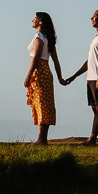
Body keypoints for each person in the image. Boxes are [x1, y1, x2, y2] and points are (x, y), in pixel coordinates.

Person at [62, 9, 98, 145]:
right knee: (95, 108)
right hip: (91, 77)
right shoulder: (96, 37)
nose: (91, 18)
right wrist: (74, 76)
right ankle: (92, 138)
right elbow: (90, 61)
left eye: (94, 16)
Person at [24, 12, 65, 145]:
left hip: (39, 72)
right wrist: (60, 77)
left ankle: (41, 139)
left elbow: (36, 57)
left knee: (41, 104)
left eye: (35, 18)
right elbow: (56, 61)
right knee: (45, 104)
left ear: (40, 22)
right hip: (46, 72)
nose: (33, 20)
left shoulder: (39, 37)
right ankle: (42, 138)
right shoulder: (48, 38)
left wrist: (29, 75)